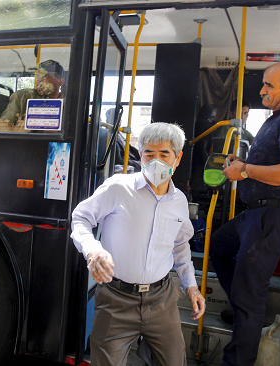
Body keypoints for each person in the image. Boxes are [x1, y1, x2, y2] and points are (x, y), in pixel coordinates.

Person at [71, 122, 206, 366]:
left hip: (162, 299)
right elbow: (81, 218)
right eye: (149, 153)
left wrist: (191, 286)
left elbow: (180, 246)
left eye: (164, 154)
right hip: (116, 298)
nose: (156, 160)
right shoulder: (118, 188)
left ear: (178, 158)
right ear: (140, 154)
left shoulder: (179, 201)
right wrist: (92, 250)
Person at [209, 61, 280, 366]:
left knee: (248, 294)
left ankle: (238, 356)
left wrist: (246, 170)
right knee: (219, 246)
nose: (262, 90)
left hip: (275, 214)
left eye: (269, 85)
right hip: (258, 212)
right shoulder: (276, 119)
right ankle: (245, 308)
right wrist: (241, 163)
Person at [0, 59, 65, 126]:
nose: (38, 81)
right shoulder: (23, 97)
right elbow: (3, 127)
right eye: (38, 76)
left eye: (45, 77)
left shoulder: (67, 104)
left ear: (60, 81)